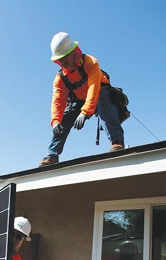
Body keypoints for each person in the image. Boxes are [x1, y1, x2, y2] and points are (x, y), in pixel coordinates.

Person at [39, 32, 124, 166]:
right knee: (63, 119)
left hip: (100, 93)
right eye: (60, 62)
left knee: (104, 100)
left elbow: (93, 88)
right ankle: (52, 155)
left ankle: (117, 141)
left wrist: (85, 112)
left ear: (73, 54)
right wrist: (55, 121)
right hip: (79, 100)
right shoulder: (60, 78)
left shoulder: (91, 62)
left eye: (65, 61)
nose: (63, 65)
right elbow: (58, 100)